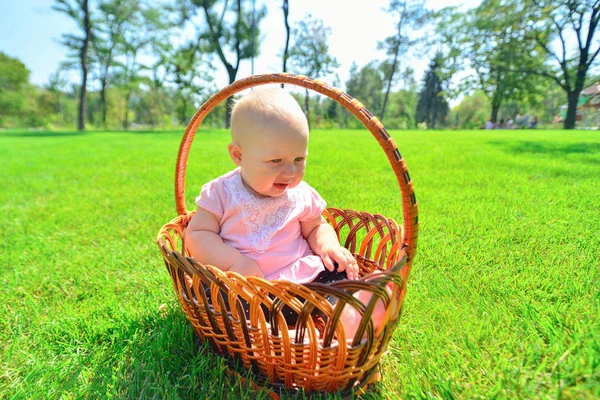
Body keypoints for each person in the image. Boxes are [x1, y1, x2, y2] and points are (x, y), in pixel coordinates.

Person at [185, 86, 389, 340]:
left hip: (303, 279)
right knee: (213, 293)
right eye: (275, 161)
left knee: (336, 273)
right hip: (251, 288)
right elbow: (198, 234)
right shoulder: (221, 192)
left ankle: (347, 313)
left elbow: (315, 227)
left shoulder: (300, 193)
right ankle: (277, 334)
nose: (290, 172)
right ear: (238, 155)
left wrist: (327, 246)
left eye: (299, 159)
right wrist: (233, 262)